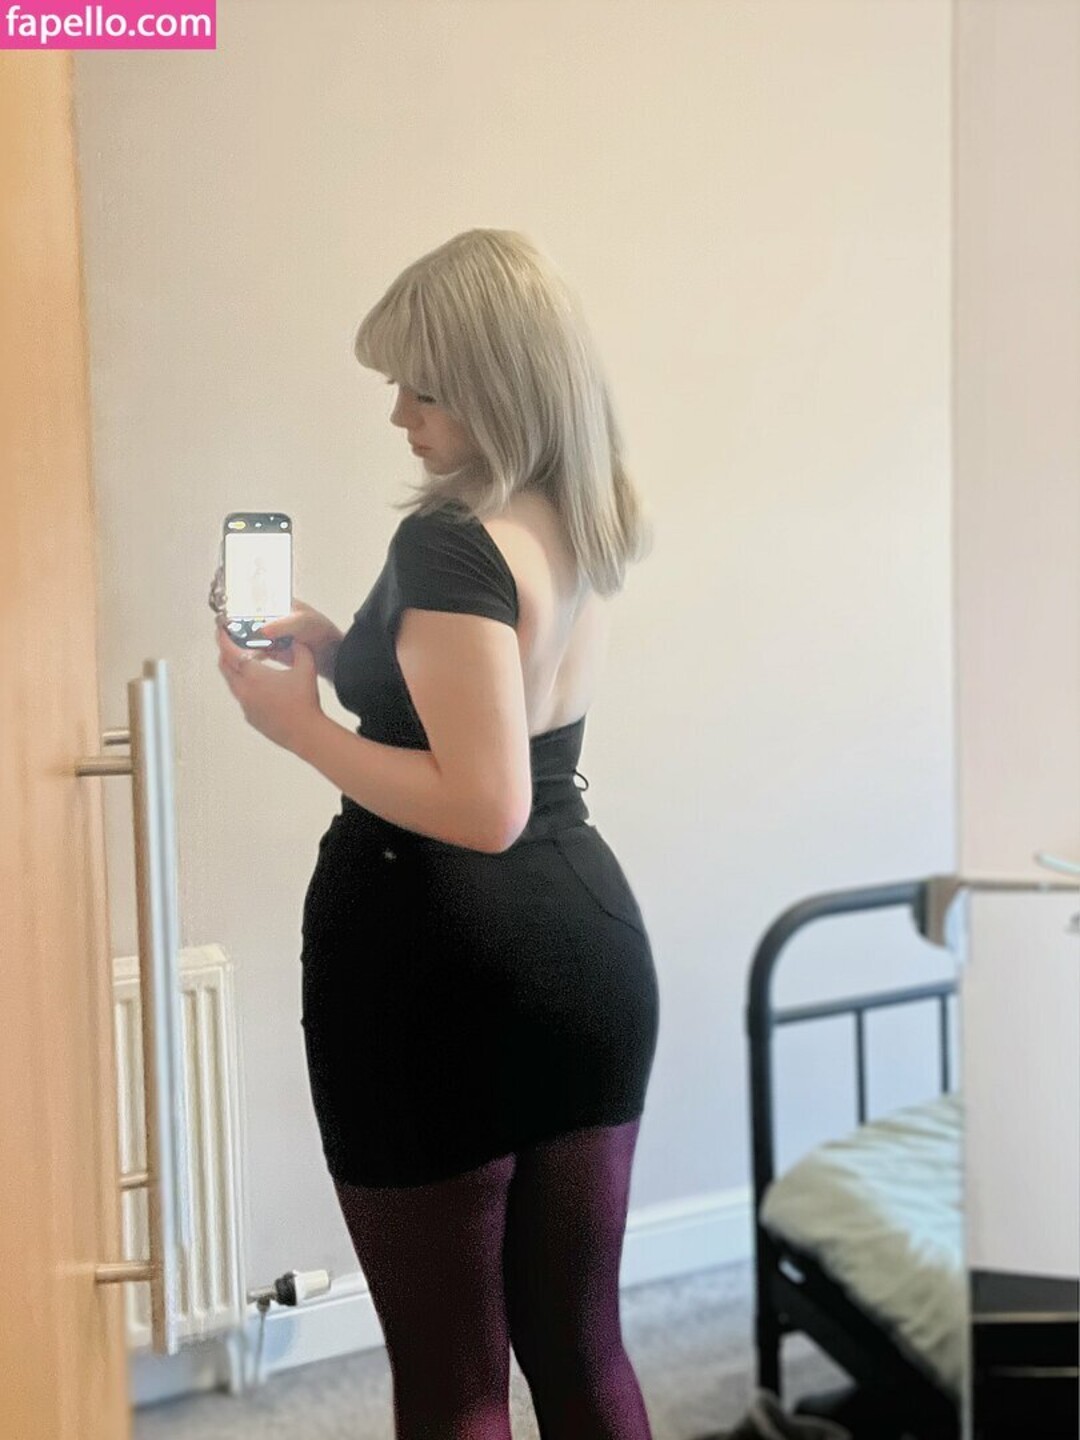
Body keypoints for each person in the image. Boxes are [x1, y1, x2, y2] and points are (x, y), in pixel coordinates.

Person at [211, 228, 661, 1439]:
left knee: (456, 1377)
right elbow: (487, 700)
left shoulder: (448, 542)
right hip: (583, 953)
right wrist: (341, 646)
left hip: (432, 962)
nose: (399, 414)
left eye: (424, 388)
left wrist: (299, 727)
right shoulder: (576, 512)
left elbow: (483, 804)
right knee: (582, 1348)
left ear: (499, 385)